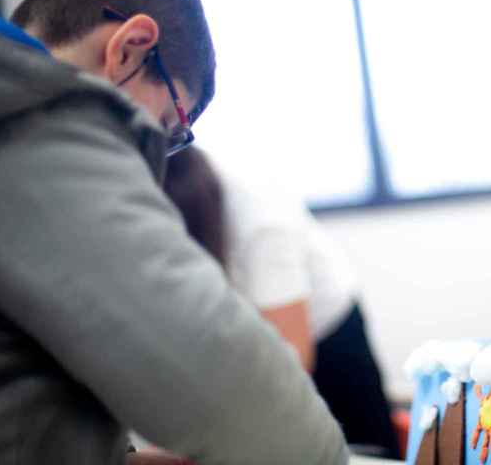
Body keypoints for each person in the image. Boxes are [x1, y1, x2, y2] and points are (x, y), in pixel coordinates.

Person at [0, 0, 348, 465]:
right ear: (129, 49)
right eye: (172, 127)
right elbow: (265, 419)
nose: (163, 160)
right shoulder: (35, 126)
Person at [163, 146, 401, 459]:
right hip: (252, 336)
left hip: (329, 339)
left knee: (356, 449)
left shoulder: (260, 218)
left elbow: (293, 359)